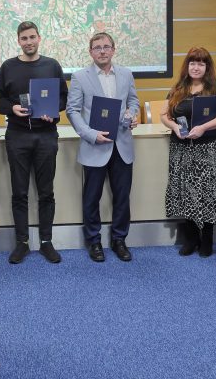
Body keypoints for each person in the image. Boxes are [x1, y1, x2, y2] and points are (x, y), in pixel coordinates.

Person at [0, 21, 68, 264]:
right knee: (19, 192)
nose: (29, 42)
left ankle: (46, 242)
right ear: (18, 41)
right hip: (18, 135)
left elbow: (63, 98)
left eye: (32, 37)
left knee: (46, 192)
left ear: (39, 38)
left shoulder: (52, 65)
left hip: (46, 135)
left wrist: (53, 110)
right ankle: (22, 243)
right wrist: (11, 108)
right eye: (24, 38)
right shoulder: (8, 67)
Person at [66, 32, 140, 262]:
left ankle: (119, 240)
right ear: (91, 52)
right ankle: (94, 241)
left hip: (122, 145)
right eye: (97, 48)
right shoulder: (80, 77)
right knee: (92, 198)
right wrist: (90, 134)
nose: (102, 51)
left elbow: (133, 101)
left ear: (113, 50)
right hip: (94, 145)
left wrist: (132, 114)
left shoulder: (126, 74)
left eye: (106, 47)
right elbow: (72, 110)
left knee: (122, 197)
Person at [160, 47, 216, 258]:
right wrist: (174, 126)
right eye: (192, 63)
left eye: (201, 63)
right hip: (181, 148)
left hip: (208, 148)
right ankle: (191, 239)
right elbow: (164, 115)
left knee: (208, 192)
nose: (196, 67)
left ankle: (207, 239)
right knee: (186, 192)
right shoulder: (178, 89)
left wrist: (204, 127)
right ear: (187, 66)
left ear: (207, 67)